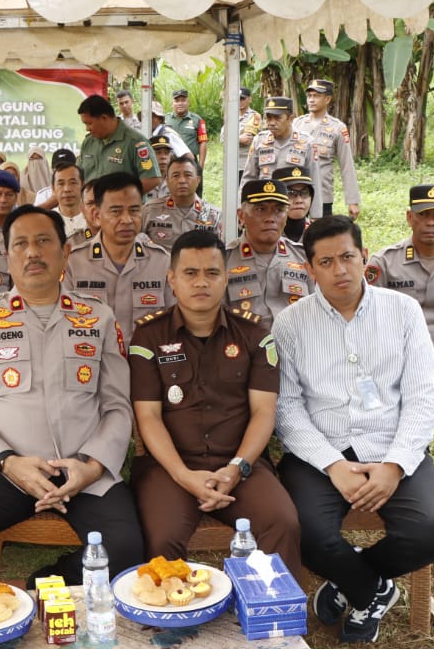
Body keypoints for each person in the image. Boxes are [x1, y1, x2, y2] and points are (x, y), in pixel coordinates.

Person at [0, 205, 145, 582]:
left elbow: (117, 406)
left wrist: (92, 466)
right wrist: (7, 462)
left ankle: (48, 583)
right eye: (21, 244)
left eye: (44, 241)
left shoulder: (98, 316)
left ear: (65, 252)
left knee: (126, 548)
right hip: (7, 469)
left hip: (84, 469)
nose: (32, 252)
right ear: (7, 255)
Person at [274, 215, 434, 643]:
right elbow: (287, 408)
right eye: (326, 262)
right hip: (320, 451)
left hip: (391, 445)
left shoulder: (403, 311)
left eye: (348, 257)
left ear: (364, 257)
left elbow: (422, 396)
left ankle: (348, 582)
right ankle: (373, 590)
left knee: (430, 533)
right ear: (310, 269)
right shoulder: (290, 324)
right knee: (305, 533)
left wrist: (395, 465)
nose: (340, 270)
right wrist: (333, 465)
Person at [128, 230, 303, 579]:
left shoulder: (253, 334)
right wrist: (183, 475)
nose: (201, 282)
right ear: (172, 279)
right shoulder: (149, 335)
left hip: (241, 463)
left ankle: (272, 610)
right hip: (169, 468)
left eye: (212, 273)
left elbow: (263, 412)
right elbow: (148, 417)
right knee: (162, 539)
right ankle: (173, 612)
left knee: (282, 523)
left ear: (226, 278)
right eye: (190, 273)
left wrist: (236, 468)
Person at [365, 185, 434, 399]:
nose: (431, 222)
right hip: (395, 362)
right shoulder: (385, 262)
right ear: (409, 217)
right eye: (423, 214)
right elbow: (366, 319)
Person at [64, 172, 172, 342]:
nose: (127, 220)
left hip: (146, 357)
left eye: (134, 210)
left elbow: (172, 322)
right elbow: (64, 323)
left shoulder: (162, 262)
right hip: (91, 356)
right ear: (97, 215)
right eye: (116, 212)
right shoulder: (74, 263)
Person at [224, 179, 314, 327]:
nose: (270, 218)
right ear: (242, 216)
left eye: (279, 210)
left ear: (286, 216)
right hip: (245, 340)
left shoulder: (303, 257)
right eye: (260, 209)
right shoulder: (224, 260)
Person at [292, 79, 361, 218]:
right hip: (295, 194)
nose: (311, 100)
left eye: (316, 96)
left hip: (322, 195)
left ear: (327, 99)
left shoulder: (337, 128)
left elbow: (346, 165)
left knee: (322, 231)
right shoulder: (297, 124)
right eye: (309, 96)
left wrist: (352, 201)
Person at [76, 94, 161, 194]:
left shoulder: (135, 142)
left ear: (104, 118)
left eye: (90, 123)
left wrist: (122, 197)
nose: (87, 129)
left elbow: (152, 179)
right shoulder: (88, 142)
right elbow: (78, 176)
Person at [240, 97, 318, 198]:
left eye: (277, 118)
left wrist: (315, 209)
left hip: (293, 202)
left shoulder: (307, 143)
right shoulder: (259, 140)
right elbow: (248, 178)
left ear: (291, 118)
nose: (272, 123)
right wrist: (242, 205)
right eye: (268, 118)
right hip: (265, 202)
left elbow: (314, 182)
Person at [142, 155, 221, 246]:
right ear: (167, 181)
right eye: (175, 176)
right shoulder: (150, 210)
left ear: (198, 180)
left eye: (188, 175)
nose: (182, 181)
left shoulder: (213, 215)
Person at [166, 89, 208, 173]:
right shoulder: (165, 119)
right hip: (170, 162)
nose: (180, 103)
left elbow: (203, 142)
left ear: (188, 102)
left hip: (191, 161)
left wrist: (200, 167)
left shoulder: (197, 119)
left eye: (183, 100)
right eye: (177, 101)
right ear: (172, 103)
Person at [275, 166, 314, 243]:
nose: (299, 200)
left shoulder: (320, 234)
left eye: (304, 192)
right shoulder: (265, 235)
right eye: (290, 193)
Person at [49, 158, 88, 238]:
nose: (67, 189)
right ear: (53, 189)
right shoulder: (47, 220)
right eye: (61, 184)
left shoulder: (94, 217)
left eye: (73, 183)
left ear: (83, 186)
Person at [236, 86, 262, 183]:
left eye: (242, 99)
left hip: (246, 163)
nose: (239, 101)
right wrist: (238, 138)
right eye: (238, 99)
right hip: (231, 163)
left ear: (250, 99)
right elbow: (222, 138)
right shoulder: (231, 115)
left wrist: (232, 138)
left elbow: (247, 139)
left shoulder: (255, 116)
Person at [142, 134, 176, 205]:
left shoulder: (176, 180)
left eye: (166, 153)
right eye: (158, 153)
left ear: (170, 156)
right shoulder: (142, 180)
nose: (163, 157)